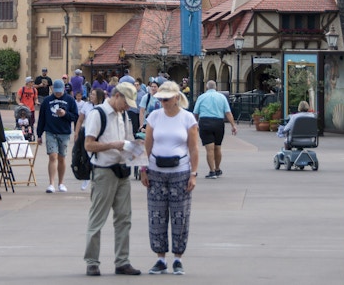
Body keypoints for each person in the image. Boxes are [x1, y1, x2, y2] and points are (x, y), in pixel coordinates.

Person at [83, 82, 142, 276]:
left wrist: (135, 150)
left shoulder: (122, 114)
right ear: (116, 96)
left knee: (124, 218)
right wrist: (112, 145)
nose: (127, 107)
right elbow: (89, 145)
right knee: (97, 218)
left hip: (122, 169)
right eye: (126, 102)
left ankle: (122, 261)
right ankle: (92, 262)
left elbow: (127, 140)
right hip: (104, 171)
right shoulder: (98, 114)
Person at [141, 81, 199, 275]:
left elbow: (193, 147)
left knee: (180, 215)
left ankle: (177, 258)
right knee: (156, 215)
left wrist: (193, 173)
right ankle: (160, 258)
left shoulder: (187, 118)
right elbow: (147, 145)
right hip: (156, 171)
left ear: (176, 98)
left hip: (180, 171)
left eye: (166, 99)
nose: (163, 102)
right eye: (161, 99)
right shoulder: (154, 117)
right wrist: (143, 169)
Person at [36, 78, 79, 193]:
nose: (58, 94)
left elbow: (75, 116)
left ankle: (61, 183)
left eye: (60, 91)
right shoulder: (47, 101)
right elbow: (42, 118)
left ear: (63, 90)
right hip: (50, 131)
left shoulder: (70, 100)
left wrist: (65, 114)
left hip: (64, 132)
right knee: (52, 156)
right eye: (56, 91)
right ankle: (51, 183)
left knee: (62, 157)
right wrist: (39, 134)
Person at [192, 79, 237, 179]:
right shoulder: (221, 97)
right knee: (218, 147)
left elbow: (195, 113)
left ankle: (212, 171)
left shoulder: (201, 97)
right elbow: (228, 112)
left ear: (206, 87)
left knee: (209, 149)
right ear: (216, 87)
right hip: (218, 122)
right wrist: (233, 125)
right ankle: (217, 168)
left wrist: (195, 124)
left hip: (205, 122)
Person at [75, 88, 106, 191]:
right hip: (87, 133)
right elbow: (80, 120)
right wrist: (76, 133)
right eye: (91, 94)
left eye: (93, 95)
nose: (91, 96)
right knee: (85, 156)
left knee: (97, 156)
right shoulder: (87, 105)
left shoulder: (103, 106)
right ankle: (86, 176)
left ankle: (96, 176)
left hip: (99, 134)